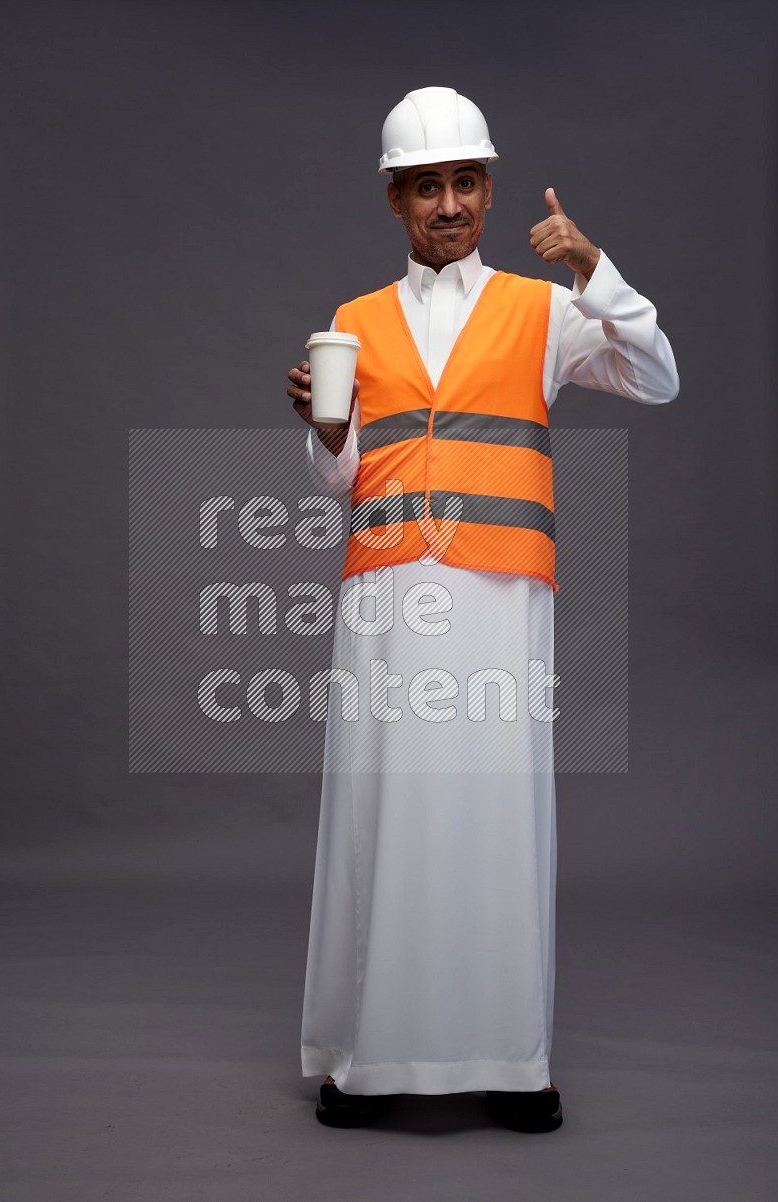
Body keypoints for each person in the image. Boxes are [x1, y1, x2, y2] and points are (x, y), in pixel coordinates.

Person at [286, 86, 679, 1132]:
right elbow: (336, 483)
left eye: (464, 182)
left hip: (500, 596)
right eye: (426, 186)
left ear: (489, 191)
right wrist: (325, 436)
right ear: (395, 200)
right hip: (385, 596)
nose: (448, 203)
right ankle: (368, 1061)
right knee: (382, 813)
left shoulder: (545, 309)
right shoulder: (353, 323)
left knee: (495, 816)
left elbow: (657, 374)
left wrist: (593, 270)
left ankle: (511, 1060)